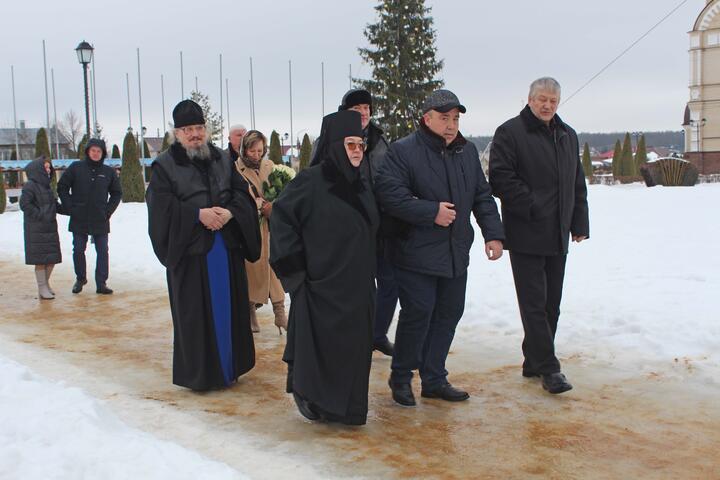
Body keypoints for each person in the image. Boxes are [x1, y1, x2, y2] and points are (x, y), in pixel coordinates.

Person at [374, 89, 505, 407]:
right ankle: (401, 376)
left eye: (455, 118)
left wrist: (493, 234)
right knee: (418, 313)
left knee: (449, 313)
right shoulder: (403, 151)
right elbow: (389, 195)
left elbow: (482, 196)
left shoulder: (466, 152)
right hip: (415, 251)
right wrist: (430, 211)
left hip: (455, 251)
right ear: (427, 118)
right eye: (444, 118)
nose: (451, 125)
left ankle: (434, 378)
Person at [270, 110, 379, 425]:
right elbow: (282, 220)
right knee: (322, 351)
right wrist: (296, 274)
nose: (357, 151)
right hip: (321, 287)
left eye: (360, 145)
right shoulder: (311, 181)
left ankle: (350, 409)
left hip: (358, 288)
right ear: (334, 146)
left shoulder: (361, 183)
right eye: (350, 145)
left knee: (354, 351)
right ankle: (315, 401)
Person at [146, 100, 261, 391]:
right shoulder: (164, 166)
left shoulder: (221, 158)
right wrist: (197, 215)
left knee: (229, 312)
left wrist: (230, 213)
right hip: (191, 254)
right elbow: (161, 209)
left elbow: (241, 194)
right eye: (188, 129)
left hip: (226, 249)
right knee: (197, 318)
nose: (195, 134)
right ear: (176, 133)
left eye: (199, 127)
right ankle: (202, 376)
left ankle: (231, 367)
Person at [489, 77, 589, 395]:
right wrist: (532, 205)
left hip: (558, 233)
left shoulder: (567, 134)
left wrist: (579, 222)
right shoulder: (510, 133)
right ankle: (549, 368)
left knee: (551, 305)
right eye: (542, 99)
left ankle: (533, 361)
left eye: (553, 101)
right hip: (526, 231)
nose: (547, 105)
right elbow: (500, 178)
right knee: (533, 304)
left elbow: (576, 182)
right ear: (530, 99)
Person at [311, 88, 397, 356]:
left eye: (366, 108)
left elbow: (391, 176)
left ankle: (377, 334)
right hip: (347, 226)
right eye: (357, 109)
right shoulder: (329, 138)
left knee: (390, 282)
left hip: (380, 222)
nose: (363, 113)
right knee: (357, 285)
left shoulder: (380, 140)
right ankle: (354, 336)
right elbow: (316, 174)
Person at [234, 130, 288, 334]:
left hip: (271, 226)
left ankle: (280, 314)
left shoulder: (269, 165)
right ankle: (250, 311)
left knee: (275, 269)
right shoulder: (236, 169)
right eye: (252, 151)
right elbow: (237, 198)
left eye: (260, 150)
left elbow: (282, 191)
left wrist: (275, 205)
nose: (257, 155)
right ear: (244, 149)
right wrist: (257, 206)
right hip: (251, 227)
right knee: (252, 270)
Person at [57, 138, 122, 295]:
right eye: (93, 150)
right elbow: (62, 187)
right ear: (88, 151)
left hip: (100, 217)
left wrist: (108, 211)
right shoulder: (76, 167)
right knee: (78, 249)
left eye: (99, 151)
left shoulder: (108, 172)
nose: (96, 153)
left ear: (103, 154)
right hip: (79, 217)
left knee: (102, 250)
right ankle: (80, 278)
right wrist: (70, 206)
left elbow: (116, 193)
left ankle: (101, 283)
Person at [19, 157, 63, 300]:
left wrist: (70, 210)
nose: (48, 170)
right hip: (36, 229)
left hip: (50, 228)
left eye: (49, 167)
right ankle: (42, 287)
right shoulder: (30, 185)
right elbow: (25, 204)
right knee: (40, 260)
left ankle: (45, 284)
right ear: (38, 169)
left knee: (51, 258)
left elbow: (53, 204)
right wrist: (41, 215)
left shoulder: (47, 186)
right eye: (46, 167)